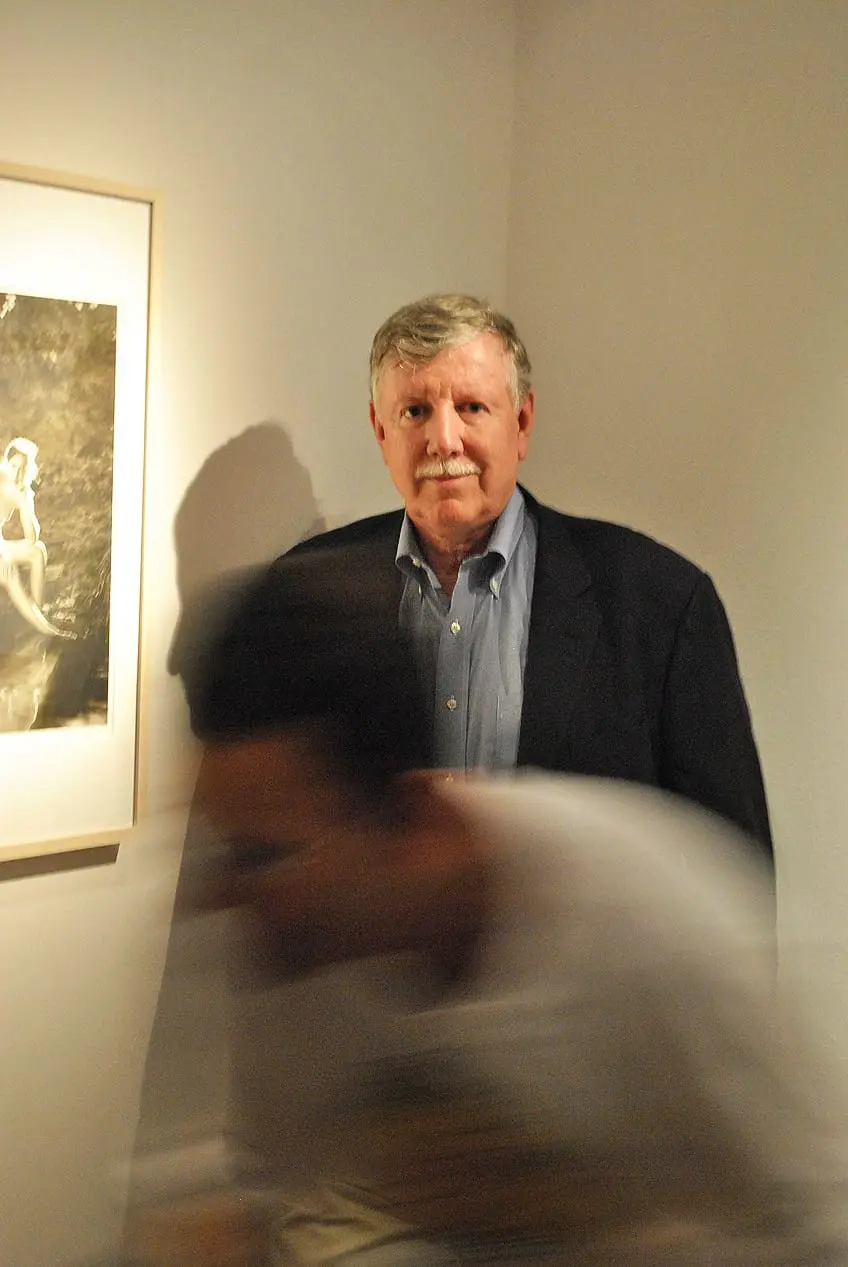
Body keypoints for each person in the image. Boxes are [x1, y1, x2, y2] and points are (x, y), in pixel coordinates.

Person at [179, 548, 848, 1267]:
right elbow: (263, 1199)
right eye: (226, 852)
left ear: (412, 810)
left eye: (261, 855)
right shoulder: (291, 948)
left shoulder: (659, 923)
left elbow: (821, 1223)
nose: (226, 900)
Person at [287, 294, 772, 864]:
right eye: (415, 412)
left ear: (521, 422)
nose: (444, 440)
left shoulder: (662, 604)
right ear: (379, 430)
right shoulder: (305, 594)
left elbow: (732, 866)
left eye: (471, 407)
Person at [0, 435, 67, 637]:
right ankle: (47, 630)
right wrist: (3, 555)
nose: (15, 474)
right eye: (12, 466)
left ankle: (36, 619)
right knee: (9, 573)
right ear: (5, 461)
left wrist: (25, 505)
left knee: (38, 551)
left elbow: (32, 538)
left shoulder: (20, 491)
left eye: (21, 469)